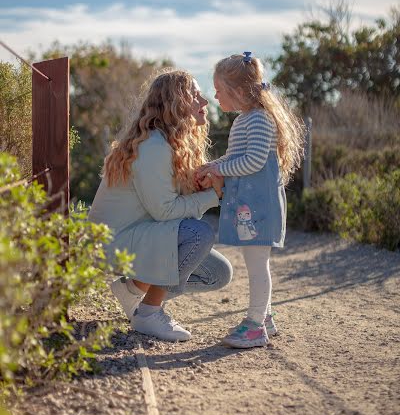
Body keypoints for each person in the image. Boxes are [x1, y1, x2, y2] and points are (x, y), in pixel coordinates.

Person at [89, 69, 232, 342]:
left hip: (141, 234)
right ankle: (149, 313)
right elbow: (165, 211)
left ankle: (132, 289)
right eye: (196, 96)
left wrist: (200, 187)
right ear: (176, 102)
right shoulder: (154, 146)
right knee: (198, 234)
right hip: (115, 242)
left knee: (218, 274)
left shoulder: (172, 144)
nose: (204, 102)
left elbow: (169, 208)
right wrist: (215, 197)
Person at [196, 52, 304, 348]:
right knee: (255, 261)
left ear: (239, 92)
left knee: (257, 266)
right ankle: (265, 318)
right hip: (250, 204)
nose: (215, 96)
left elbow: (254, 161)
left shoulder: (258, 119)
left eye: (219, 90)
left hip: (259, 206)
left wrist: (219, 169)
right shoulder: (246, 119)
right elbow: (235, 157)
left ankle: (255, 325)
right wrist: (211, 166)